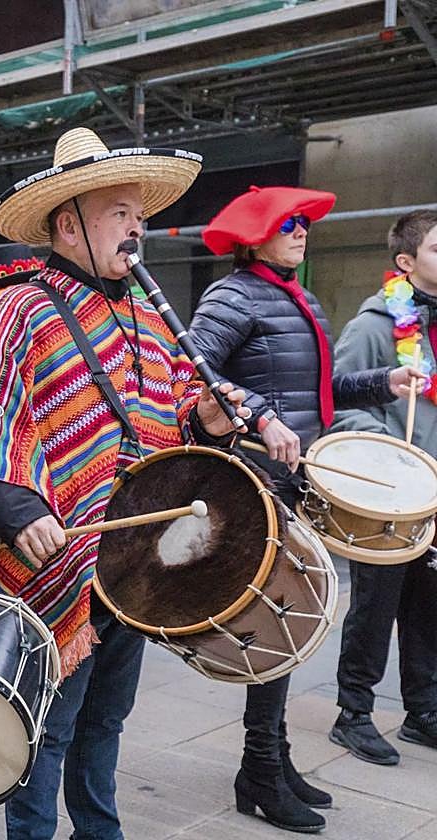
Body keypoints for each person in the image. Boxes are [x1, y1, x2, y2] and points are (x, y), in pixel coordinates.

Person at [0, 127, 245, 840]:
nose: (137, 231)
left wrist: (204, 423)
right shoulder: (16, 309)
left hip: (135, 554)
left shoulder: (146, 315)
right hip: (58, 554)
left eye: (139, 216)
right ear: (68, 224)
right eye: (119, 215)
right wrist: (20, 510)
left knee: (107, 718)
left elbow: (167, 426)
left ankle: (100, 831)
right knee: (49, 725)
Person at [189, 185, 418, 833]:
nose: (301, 231)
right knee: (274, 625)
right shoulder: (232, 295)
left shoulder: (299, 294)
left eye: (303, 223)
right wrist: (259, 418)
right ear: (253, 234)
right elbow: (194, 370)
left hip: (296, 479)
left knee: (289, 626)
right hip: (256, 480)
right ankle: (261, 767)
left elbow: (316, 390)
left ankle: (270, 758)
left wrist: (383, 382)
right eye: (286, 223)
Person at [327, 208, 437, 764]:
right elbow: (342, 408)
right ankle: (355, 713)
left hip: (435, 499)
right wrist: (399, 457)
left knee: (429, 607)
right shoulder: (372, 326)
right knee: (375, 607)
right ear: (407, 261)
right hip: (390, 497)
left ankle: (424, 711)